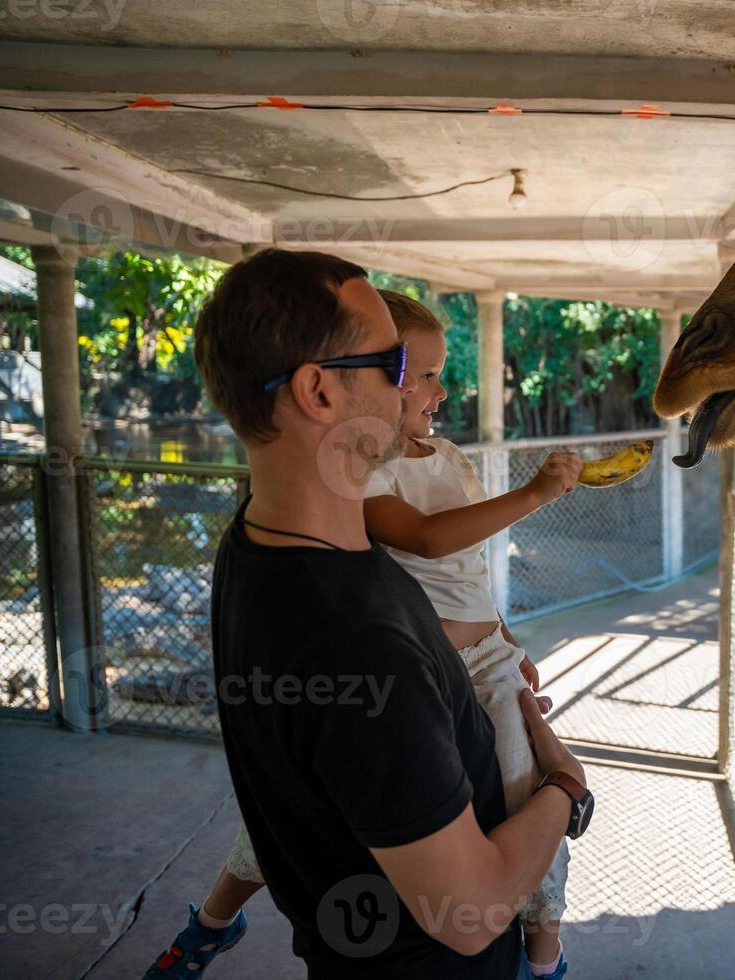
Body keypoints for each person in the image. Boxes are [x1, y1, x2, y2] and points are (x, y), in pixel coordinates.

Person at [145, 250, 592, 979]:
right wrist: (564, 790)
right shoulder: (358, 646)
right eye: (394, 363)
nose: (411, 386)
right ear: (318, 391)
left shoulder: (254, 544)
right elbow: (470, 915)